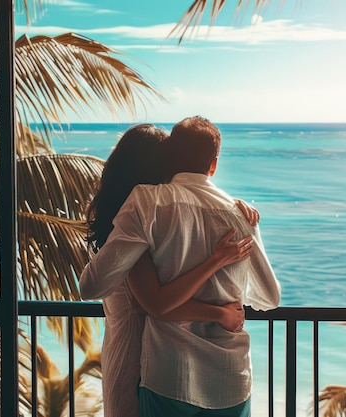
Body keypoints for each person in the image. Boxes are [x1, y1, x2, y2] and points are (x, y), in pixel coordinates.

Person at [80, 116, 280, 417]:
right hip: (162, 367)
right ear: (212, 164)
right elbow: (155, 304)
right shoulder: (145, 218)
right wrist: (221, 304)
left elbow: (154, 302)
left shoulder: (145, 213)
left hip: (164, 372)